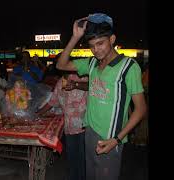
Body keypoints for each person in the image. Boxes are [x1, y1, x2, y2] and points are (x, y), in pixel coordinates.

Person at [56, 13, 147, 180]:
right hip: (89, 132)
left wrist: (117, 140)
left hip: (110, 138)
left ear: (112, 39)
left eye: (100, 43)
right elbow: (61, 64)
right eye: (92, 46)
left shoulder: (129, 67)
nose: (96, 50)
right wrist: (75, 37)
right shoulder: (92, 63)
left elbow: (141, 109)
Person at [36, 72, 88, 180]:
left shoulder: (82, 77)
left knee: (83, 158)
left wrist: (76, 85)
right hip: (69, 127)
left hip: (84, 126)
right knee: (72, 156)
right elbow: (52, 102)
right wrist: (37, 114)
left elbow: (92, 87)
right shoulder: (60, 82)